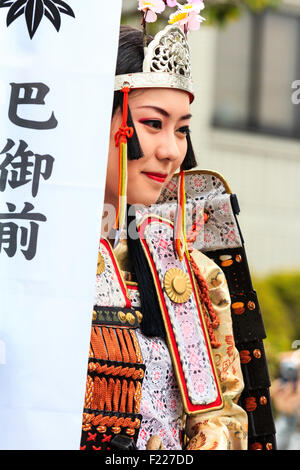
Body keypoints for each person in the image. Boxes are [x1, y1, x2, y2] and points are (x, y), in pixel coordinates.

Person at [80, 15, 272, 451]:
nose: (171, 151)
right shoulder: (27, 257)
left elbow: (220, 416)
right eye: (153, 123)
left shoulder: (193, 272)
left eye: (182, 129)